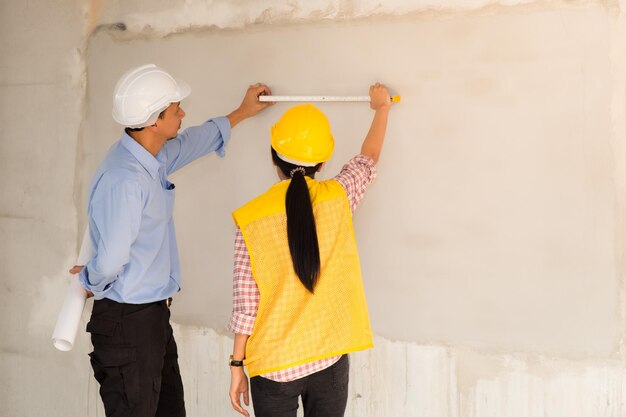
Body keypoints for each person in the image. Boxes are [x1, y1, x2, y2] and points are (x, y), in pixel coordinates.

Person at [71, 63, 272, 417]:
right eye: (175, 109)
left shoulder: (151, 155)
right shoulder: (127, 179)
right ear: (154, 121)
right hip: (127, 325)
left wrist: (242, 112)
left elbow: (194, 140)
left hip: (150, 322)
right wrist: (90, 280)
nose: (183, 112)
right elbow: (112, 259)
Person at [228, 83, 393, 417]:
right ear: (323, 161)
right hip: (329, 360)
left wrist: (236, 366)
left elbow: (247, 306)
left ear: (273, 156)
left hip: (274, 368)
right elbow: (368, 159)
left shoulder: (250, 219)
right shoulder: (339, 197)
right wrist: (382, 108)